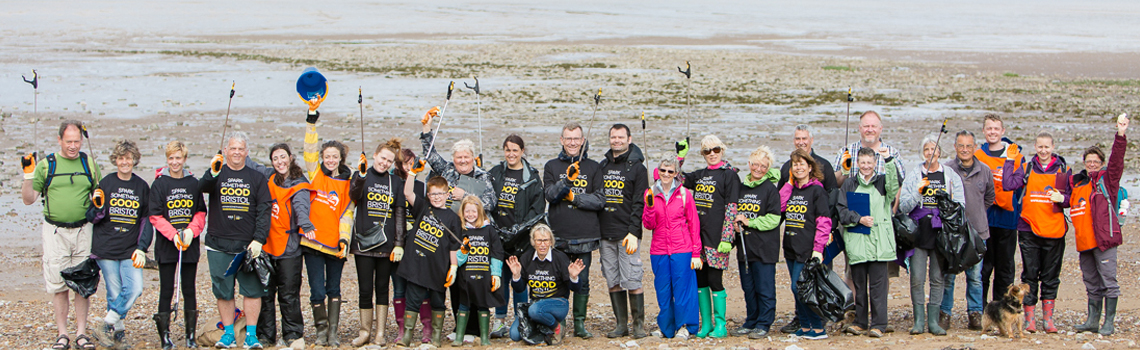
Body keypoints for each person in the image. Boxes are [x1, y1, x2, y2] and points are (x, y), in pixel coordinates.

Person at [22, 120, 103, 350]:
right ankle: (62, 334)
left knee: (83, 283)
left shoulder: (89, 163)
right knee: (58, 285)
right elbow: (28, 199)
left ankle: (81, 333)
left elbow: (99, 194)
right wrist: (28, 175)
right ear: (59, 140)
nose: (73, 146)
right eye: (69, 141)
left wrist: (99, 200)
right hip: (55, 231)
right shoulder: (46, 165)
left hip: (84, 230)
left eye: (77, 141)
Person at [200, 131, 272, 348]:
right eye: (233, 148)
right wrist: (212, 172)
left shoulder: (257, 178)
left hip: (247, 246)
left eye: (241, 149)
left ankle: (251, 335)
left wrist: (259, 239)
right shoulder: (216, 173)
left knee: (252, 291)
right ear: (226, 151)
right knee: (224, 291)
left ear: (247, 152)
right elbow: (201, 188)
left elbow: (264, 210)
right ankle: (229, 333)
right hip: (218, 244)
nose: (237, 152)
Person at [1001, 131, 1071, 333]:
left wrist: (1063, 199)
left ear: (1053, 147)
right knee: (1030, 274)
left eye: (1047, 147)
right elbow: (1008, 184)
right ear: (1035, 147)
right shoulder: (1027, 168)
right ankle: (1029, 320)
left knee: (1051, 276)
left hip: (1054, 230)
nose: (1043, 150)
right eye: (1040, 146)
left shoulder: (1063, 170)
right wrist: (1009, 161)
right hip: (1029, 229)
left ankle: (1048, 320)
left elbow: (1070, 199)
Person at [543, 122, 605, 339]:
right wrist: (567, 181)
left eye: (576, 138)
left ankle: (579, 323)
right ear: (562, 140)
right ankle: (559, 323)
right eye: (568, 138)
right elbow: (550, 195)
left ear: (582, 141)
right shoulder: (551, 166)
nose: (572, 143)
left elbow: (600, 200)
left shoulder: (594, 167)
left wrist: (575, 198)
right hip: (558, 235)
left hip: (585, 235)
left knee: (583, 281)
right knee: (558, 280)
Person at [299, 110, 356, 347]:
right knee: (316, 290)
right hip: (312, 242)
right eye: (327, 156)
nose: (330, 160)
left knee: (333, 288)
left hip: (335, 245)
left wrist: (344, 240)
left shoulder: (348, 183)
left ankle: (333, 332)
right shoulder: (315, 174)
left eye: (335, 156)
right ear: (322, 157)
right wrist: (311, 122)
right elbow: (309, 150)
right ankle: (321, 331)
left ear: (341, 159)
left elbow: (347, 215)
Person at [777, 124, 839, 334]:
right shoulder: (791, 187)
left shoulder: (817, 191)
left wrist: (819, 248)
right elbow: (779, 206)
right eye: (795, 165)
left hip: (809, 247)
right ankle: (804, 326)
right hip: (791, 246)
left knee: (801, 287)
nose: (798, 168)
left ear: (810, 167)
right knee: (798, 288)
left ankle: (818, 327)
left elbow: (824, 220)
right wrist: (789, 182)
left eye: (802, 165)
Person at [899, 135, 964, 336]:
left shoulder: (950, 175)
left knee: (937, 278)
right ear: (922, 153)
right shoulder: (914, 174)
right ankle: (919, 321)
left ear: (940, 152)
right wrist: (918, 193)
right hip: (919, 233)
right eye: (926, 149)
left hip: (941, 234)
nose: (930, 153)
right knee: (917, 278)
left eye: (933, 149)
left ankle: (934, 322)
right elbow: (904, 206)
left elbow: (960, 204)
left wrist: (946, 209)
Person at [89, 140, 151, 349]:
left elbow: (146, 221)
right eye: (121, 158)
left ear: (135, 160)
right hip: (106, 248)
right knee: (115, 292)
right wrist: (98, 207)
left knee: (134, 288)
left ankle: (105, 324)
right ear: (115, 160)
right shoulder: (106, 183)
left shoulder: (141, 186)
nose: (125, 162)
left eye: (129, 158)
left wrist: (142, 247)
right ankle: (119, 334)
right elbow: (92, 217)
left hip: (130, 249)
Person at [1070, 114, 1128, 336]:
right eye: (1088, 161)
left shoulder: (1108, 182)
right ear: (1084, 163)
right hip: (1085, 242)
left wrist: (1120, 134)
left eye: (1096, 161)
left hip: (1104, 241)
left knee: (1108, 282)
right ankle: (1092, 321)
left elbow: (1117, 162)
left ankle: (1109, 323)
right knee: (1091, 282)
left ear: (1102, 164)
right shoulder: (1080, 183)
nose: (1092, 164)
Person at [678, 134, 740, 339]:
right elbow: (676, 178)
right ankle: (706, 323)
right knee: (700, 279)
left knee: (715, 280)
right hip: (698, 237)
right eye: (707, 151)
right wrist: (680, 158)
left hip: (717, 237)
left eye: (715, 150)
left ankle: (720, 324)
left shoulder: (729, 175)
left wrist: (727, 238)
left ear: (722, 150)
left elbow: (732, 208)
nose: (712, 154)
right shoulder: (700, 175)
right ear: (703, 154)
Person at [348, 138, 407, 347]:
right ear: (374, 156)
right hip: (363, 244)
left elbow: (399, 214)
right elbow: (353, 195)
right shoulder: (361, 175)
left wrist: (399, 243)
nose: (385, 163)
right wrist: (361, 176)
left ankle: (380, 333)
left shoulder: (396, 182)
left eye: (389, 161)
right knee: (365, 289)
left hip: (386, 244)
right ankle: (365, 331)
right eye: (382, 158)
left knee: (382, 288)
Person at [249, 143, 310, 348]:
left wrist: (306, 225)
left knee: (289, 294)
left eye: (283, 157)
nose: (279, 162)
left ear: (290, 157)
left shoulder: (299, 183)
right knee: (265, 292)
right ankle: (265, 334)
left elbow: (302, 207)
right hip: (266, 244)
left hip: (289, 247)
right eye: (275, 158)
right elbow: (250, 165)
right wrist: (233, 153)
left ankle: (292, 333)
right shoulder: (268, 176)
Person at [835, 147, 900, 338]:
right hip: (857, 242)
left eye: (869, 163)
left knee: (878, 287)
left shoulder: (882, 182)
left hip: (880, 243)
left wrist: (889, 160)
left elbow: (894, 185)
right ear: (857, 163)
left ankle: (879, 324)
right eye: (862, 162)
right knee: (860, 286)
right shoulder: (849, 184)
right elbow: (841, 211)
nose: (866, 166)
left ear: (875, 164)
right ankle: (861, 323)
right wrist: (858, 219)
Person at [148, 140, 206, 349]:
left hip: (189, 245)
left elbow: (201, 212)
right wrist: (173, 235)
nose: (175, 162)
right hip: (167, 245)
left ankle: (190, 336)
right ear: (167, 159)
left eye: (178, 158)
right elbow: (155, 216)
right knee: (166, 289)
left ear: (185, 159)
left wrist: (191, 231)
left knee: (189, 289)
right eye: (171, 158)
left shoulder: (193, 183)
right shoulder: (159, 184)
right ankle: (165, 337)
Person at [487, 134, 545, 338]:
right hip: (498, 237)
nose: (511, 154)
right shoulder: (495, 173)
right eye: (507, 150)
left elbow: (538, 208)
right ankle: (499, 320)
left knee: (519, 279)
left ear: (522, 151)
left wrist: (519, 229)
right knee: (500, 278)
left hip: (521, 239)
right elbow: (485, 199)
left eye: (515, 150)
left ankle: (521, 318)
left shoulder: (532, 176)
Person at [939, 131, 996, 331]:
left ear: (975, 148)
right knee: (949, 277)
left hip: (977, 233)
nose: (965, 150)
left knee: (975, 277)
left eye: (968, 146)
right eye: (961, 146)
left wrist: (976, 214)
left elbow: (989, 197)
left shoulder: (985, 170)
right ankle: (945, 313)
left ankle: (975, 313)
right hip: (952, 234)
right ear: (955, 147)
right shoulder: (947, 169)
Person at [397, 175, 462, 347]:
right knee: (412, 300)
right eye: (433, 194)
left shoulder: (453, 218)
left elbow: (454, 246)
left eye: (440, 194)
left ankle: (436, 336)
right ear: (428, 195)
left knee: (438, 302)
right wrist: (412, 174)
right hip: (416, 265)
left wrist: (453, 267)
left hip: (438, 267)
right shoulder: (423, 207)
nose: (437, 197)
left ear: (447, 194)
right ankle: (407, 335)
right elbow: (407, 193)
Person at [598, 124, 650, 339]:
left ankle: (638, 325)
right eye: (613, 137)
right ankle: (621, 324)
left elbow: (640, 203)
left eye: (621, 137)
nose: (616, 140)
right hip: (605, 233)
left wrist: (634, 232)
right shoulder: (602, 166)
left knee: (632, 279)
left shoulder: (638, 168)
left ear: (629, 139)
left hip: (627, 233)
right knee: (613, 280)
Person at [642, 156, 700, 339]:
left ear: (676, 173)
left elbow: (694, 224)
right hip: (659, 249)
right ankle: (666, 328)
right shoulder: (651, 192)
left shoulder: (684, 194)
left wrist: (696, 252)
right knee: (663, 289)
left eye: (670, 171)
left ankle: (686, 326)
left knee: (683, 289)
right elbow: (648, 225)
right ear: (658, 171)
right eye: (663, 170)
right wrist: (649, 207)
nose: (666, 174)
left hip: (682, 248)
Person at [731, 146, 782, 338]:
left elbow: (774, 219)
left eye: (763, 166)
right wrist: (737, 225)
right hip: (745, 247)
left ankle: (764, 323)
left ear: (768, 168)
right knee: (749, 288)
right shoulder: (741, 187)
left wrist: (749, 222)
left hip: (765, 248)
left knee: (764, 288)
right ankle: (751, 320)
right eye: (755, 164)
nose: (758, 169)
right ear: (749, 164)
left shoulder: (770, 189)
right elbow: (736, 213)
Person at [974, 114, 1025, 304]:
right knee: (983, 268)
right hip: (984, 219)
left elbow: (1021, 188)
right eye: (989, 128)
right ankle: (980, 309)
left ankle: (1002, 308)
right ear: (983, 131)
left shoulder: (1016, 156)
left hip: (1007, 219)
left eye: (996, 128)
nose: (992, 132)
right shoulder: (977, 156)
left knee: (1005, 268)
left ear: (1002, 131)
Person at [507, 224, 586, 345]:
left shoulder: (560, 258)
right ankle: (544, 329)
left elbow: (576, 288)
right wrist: (516, 275)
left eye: (546, 240)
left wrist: (573, 277)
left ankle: (556, 327)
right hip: (536, 302)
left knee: (534, 310)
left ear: (551, 242)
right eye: (539, 240)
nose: (542, 244)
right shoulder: (526, 258)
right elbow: (519, 289)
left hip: (557, 303)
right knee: (515, 334)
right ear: (533, 242)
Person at [420, 106, 496, 215]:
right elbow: (430, 155)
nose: (463, 161)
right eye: (459, 157)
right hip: (448, 220)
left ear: (473, 158)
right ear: (453, 159)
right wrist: (426, 128)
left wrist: (465, 196)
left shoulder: (482, 176)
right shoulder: (447, 169)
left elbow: (491, 204)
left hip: (472, 222)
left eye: (466, 157)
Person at [452, 195, 506, 346]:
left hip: (484, 276)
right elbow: (457, 258)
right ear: (462, 213)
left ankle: (484, 338)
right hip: (466, 277)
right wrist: (463, 252)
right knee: (464, 304)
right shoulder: (461, 231)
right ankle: (459, 337)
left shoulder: (489, 230)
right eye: (467, 211)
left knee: (483, 305)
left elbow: (497, 253)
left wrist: (496, 274)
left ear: (480, 212)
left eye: (473, 211)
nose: (470, 214)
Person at [393, 147, 434, 344]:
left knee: (421, 285)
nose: (409, 166)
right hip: (397, 242)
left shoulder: (421, 186)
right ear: (399, 164)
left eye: (412, 163)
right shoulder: (393, 183)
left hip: (418, 242)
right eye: (406, 163)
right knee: (399, 287)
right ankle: (402, 327)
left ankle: (427, 326)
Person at [834, 111, 906, 186]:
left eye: (874, 126)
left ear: (880, 128)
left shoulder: (892, 153)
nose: (870, 130)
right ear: (860, 128)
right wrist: (844, 171)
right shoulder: (845, 152)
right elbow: (834, 185)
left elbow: (900, 186)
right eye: (866, 126)